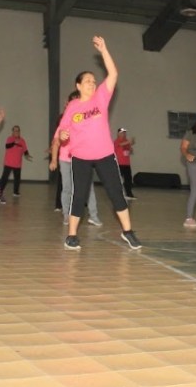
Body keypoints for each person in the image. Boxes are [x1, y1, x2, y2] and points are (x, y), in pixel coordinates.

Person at [56, 36, 141, 250]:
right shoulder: (73, 106)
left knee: (116, 192)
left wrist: (104, 50)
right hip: (80, 157)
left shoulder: (100, 98)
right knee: (79, 194)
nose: (92, 84)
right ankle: (72, 235)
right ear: (78, 85)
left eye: (94, 81)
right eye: (87, 81)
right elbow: (62, 132)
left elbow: (113, 74)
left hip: (104, 155)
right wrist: (63, 137)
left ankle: (128, 232)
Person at [50, 91, 103, 227]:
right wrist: (54, 160)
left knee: (88, 188)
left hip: (82, 159)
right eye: (73, 102)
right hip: (66, 160)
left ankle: (94, 216)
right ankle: (67, 216)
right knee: (67, 188)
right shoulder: (65, 121)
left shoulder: (86, 120)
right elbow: (56, 142)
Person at [0, 125, 32, 199]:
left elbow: (25, 150)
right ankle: (0, 191)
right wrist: (14, 142)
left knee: (17, 179)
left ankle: (16, 192)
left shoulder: (22, 140)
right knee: (4, 178)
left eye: (18, 130)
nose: (16, 132)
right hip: (8, 163)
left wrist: (27, 155)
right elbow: (7, 146)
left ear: (19, 132)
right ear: (12, 132)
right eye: (15, 130)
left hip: (17, 164)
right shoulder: (9, 139)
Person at [115, 127, 136, 199]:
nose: (124, 134)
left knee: (128, 179)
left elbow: (131, 151)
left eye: (125, 132)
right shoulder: (117, 141)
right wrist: (129, 142)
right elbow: (120, 144)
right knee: (118, 180)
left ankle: (129, 194)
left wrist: (130, 149)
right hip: (119, 164)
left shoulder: (126, 141)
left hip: (127, 164)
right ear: (118, 133)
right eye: (122, 132)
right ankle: (117, 195)